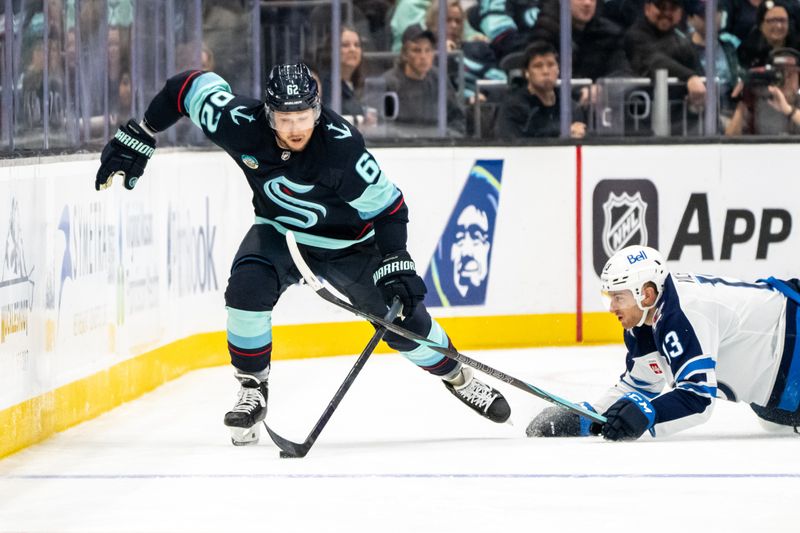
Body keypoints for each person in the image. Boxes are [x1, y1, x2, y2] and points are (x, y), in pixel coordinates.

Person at [94, 63, 510, 446]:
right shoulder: (239, 122)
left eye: (303, 117)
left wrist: (395, 259)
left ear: (318, 109)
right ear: (268, 113)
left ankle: (457, 375)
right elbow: (183, 88)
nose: (295, 128)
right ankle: (252, 390)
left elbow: (390, 208)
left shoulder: (342, 148)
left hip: (351, 245)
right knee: (245, 291)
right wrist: (145, 129)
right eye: (284, 119)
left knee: (405, 323)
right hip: (282, 234)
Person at [527, 245, 800, 440]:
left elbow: (698, 398)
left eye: (618, 297)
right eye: (608, 297)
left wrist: (650, 414)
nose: (611, 307)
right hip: (781, 393)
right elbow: (640, 385)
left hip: (795, 342)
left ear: (646, 294)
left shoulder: (685, 311)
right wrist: (587, 416)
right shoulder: (642, 323)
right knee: (773, 421)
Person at [624, 0, 707, 133]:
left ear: (680, 13)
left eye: (673, 8)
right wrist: (689, 77)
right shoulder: (634, 36)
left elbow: (701, 79)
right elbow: (652, 60)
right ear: (647, 8)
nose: (667, 13)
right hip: (639, 122)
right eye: (661, 6)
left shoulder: (684, 42)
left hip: (680, 122)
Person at [382, 24, 467, 136]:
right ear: (405, 54)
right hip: (401, 148)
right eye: (417, 50)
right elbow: (380, 126)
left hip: (437, 147)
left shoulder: (439, 79)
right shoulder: (389, 82)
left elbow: (456, 119)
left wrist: (448, 137)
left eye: (428, 50)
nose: (423, 56)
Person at [495, 41, 587, 138]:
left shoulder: (570, 107)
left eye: (551, 65)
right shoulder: (514, 107)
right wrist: (562, 132)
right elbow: (511, 142)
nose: (545, 71)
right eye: (538, 66)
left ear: (558, 70)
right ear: (526, 72)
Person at [685, 0, 742, 121]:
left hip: (730, 112)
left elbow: (738, 76)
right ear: (690, 19)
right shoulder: (683, 49)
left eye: (715, 12)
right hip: (697, 117)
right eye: (703, 14)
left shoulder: (729, 47)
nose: (710, 18)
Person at [725, 47, 800, 134]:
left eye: (790, 74)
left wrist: (788, 110)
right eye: (779, 74)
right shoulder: (756, 101)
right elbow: (729, 139)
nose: (785, 80)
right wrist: (743, 100)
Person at [317, 26, 376, 131]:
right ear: (331, 50)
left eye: (357, 45)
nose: (353, 49)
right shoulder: (324, 86)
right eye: (345, 45)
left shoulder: (354, 84)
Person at [737, 0, 800, 68]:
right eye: (772, 21)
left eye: (782, 20)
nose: (779, 26)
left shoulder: (797, 47)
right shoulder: (747, 51)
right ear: (761, 25)